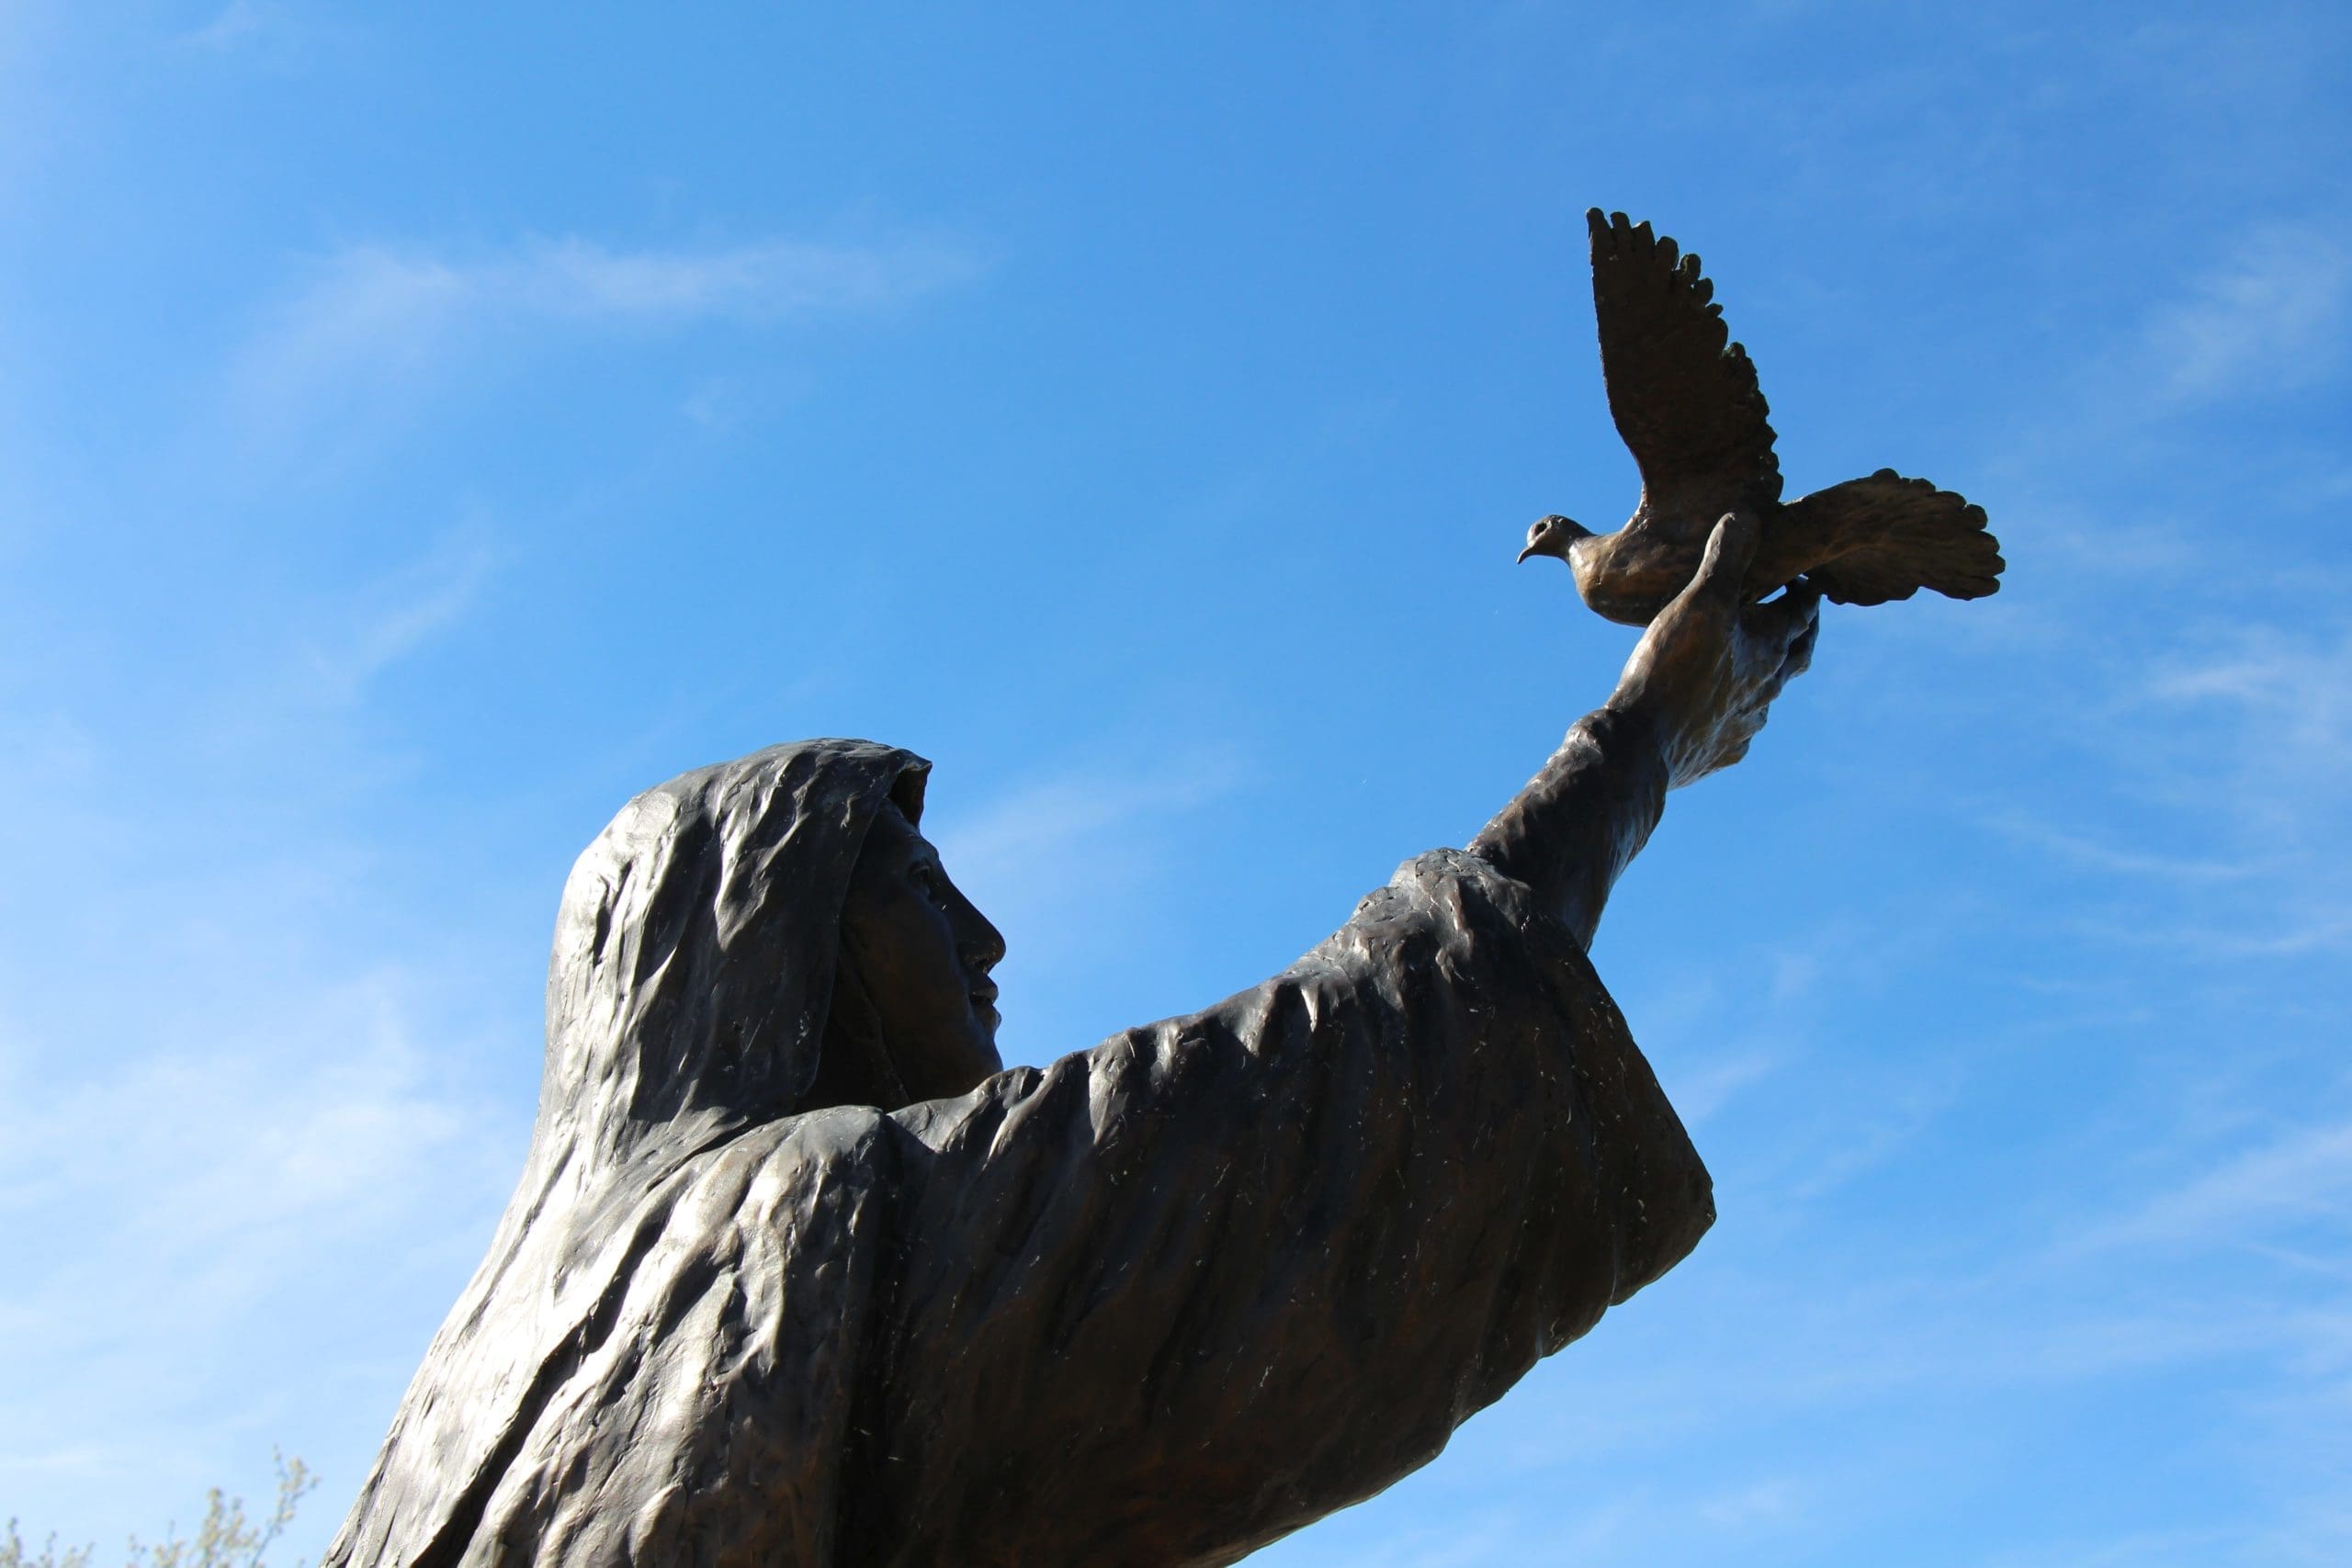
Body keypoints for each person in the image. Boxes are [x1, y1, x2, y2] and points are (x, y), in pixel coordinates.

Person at [322, 515, 1819, 1568]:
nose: (985, 940)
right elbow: (1325, 1089)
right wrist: (1639, 741)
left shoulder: (445, 1411)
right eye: (916, 894)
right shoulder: (781, 1227)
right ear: (783, 940)